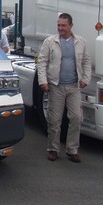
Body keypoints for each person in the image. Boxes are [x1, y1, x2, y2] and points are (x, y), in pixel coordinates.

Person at [37, 13, 91, 163]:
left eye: (63, 25)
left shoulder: (80, 42)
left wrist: (86, 78)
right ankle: (53, 149)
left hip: (74, 86)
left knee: (76, 117)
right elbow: (42, 62)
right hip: (56, 86)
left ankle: (72, 149)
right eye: (59, 25)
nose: (60, 28)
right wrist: (43, 81)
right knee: (54, 120)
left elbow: (86, 61)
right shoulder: (50, 42)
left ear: (70, 26)